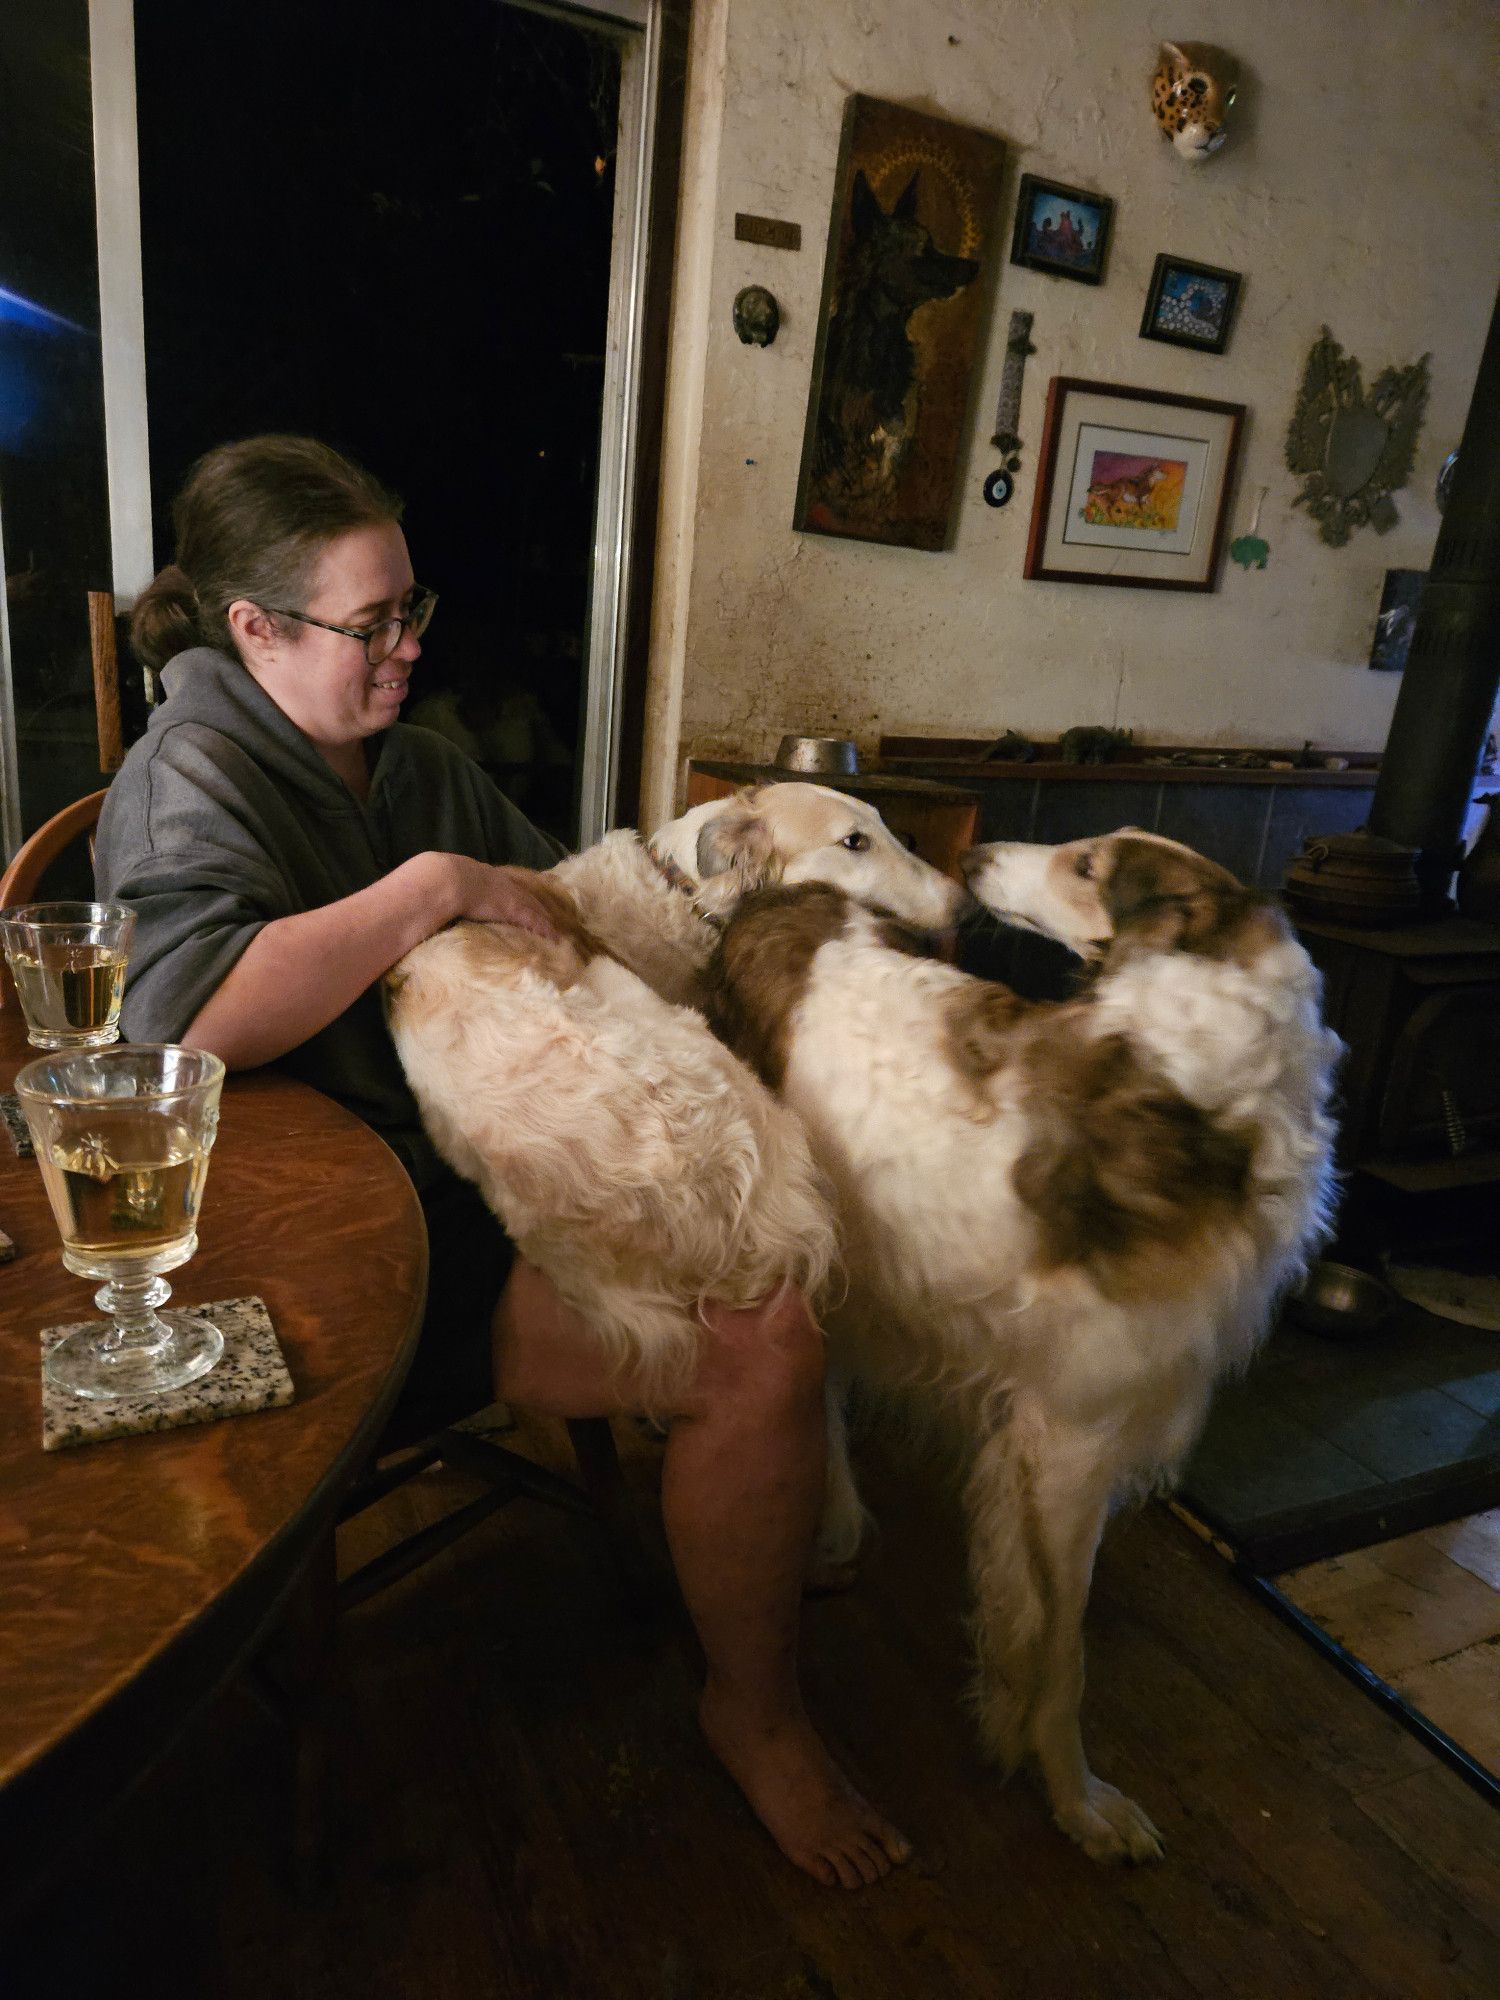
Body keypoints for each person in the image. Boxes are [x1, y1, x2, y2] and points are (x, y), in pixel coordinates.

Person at [94, 434, 910, 1891]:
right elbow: (179, 1029)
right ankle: (765, 1708)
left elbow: (564, 914)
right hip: (326, 1259)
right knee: (761, 1345)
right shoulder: (188, 779)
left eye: (416, 607)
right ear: (254, 631)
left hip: (480, 1193)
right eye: (372, 623)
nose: (408, 646)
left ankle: (756, 1619)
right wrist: (427, 893)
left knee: (783, 1258)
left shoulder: (410, 763)